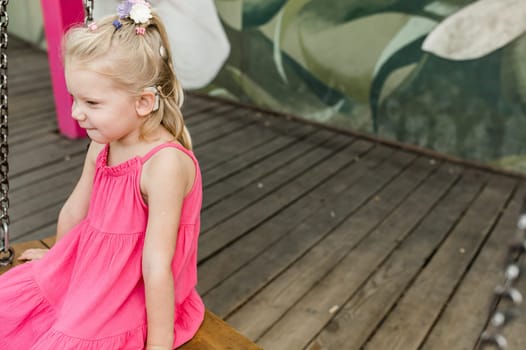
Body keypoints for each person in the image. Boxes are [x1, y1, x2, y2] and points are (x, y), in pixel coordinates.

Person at [0, 1, 204, 348]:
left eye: (92, 103)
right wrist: (58, 262)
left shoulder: (164, 165)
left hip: (134, 293)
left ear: (143, 102)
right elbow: (75, 210)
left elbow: (156, 265)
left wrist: (158, 344)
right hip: (91, 271)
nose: (77, 113)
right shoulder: (105, 141)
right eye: (73, 98)